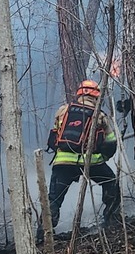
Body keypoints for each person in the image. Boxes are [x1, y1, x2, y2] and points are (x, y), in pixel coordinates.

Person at [42, 78, 122, 236]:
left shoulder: (63, 111)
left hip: (63, 162)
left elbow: (53, 138)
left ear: (79, 94)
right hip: (90, 162)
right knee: (111, 183)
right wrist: (103, 157)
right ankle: (111, 222)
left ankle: (44, 234)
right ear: (97, 96)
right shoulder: (100, 115)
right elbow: (111, 143)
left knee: (54, 199)